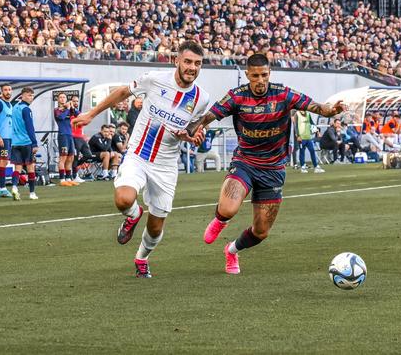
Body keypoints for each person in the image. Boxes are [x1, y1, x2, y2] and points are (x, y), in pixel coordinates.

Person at [186, 53, 344, 274]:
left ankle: (231, 250)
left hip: (273, 169)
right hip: (245, 163)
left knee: (261, 232)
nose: (260, 80)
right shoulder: (237, 96)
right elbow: (210, 115)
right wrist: (194, 128)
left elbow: (316, 107)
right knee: (228, 208)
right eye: (255, 76)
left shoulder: (283, 94)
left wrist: (331, 110)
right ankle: (220, 219)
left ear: (270, 73)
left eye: (264, 75)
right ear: (248, 75)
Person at [72, 40, 210, 278]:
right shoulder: (155, 79)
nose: (192, 68)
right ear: (176, 60)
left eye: (197, 63)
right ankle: (134, 215)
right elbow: (124, 92)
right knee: (123, 199)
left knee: (156, 228)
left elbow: (194, 130)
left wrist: (191, 137)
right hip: (138, 155)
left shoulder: (201, 98)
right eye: (187, 61)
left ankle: (142, 257)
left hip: (166, 166)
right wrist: (91, 114)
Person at [10, 87, 39, 201]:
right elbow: (29, 127)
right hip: (26, 142)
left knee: (17, 168)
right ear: (22, 95)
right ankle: (32, 193)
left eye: (32, 95)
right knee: (30, 167)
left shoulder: (15, 107)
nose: (31, 98)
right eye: (29, 95)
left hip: (15, 142)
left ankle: (14, 187)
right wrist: (34, 143)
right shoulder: (26, 109)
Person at [54, 92, 80, 187]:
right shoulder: (57, 110)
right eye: (60, 97)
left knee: (71, 157)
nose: (62, 99)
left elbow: (78, 115)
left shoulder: (69, 109)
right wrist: (68, 108)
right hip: (63, 135)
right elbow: (61, 117)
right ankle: (62, 179)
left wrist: (72, 106)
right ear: (58, 99)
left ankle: (69, 178)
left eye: (64, 97)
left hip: (70, 135)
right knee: (63, 158)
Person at [70, 95, 89, 184]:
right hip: (73, 137)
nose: (76, 103)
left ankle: (71, 168)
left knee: (88, 155)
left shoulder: (78, 113)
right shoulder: (69, 113)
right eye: (74, 101)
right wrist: (80, 121)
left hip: (81, 138)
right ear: (70, 102)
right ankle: (74, 175)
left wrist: (80, 121)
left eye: (77, 101)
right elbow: (76, 123)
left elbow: (84, 123)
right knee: (76, 157)